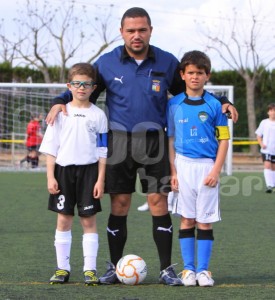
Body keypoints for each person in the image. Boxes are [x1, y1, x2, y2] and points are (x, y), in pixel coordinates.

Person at [46, 7, 238, 286]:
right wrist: (59, 100)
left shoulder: (168, 62)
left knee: (158, 202)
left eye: (142, 30)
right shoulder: (108, 62)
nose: (137, 35)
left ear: (150, 30)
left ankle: (166, 269)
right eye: (131, 30)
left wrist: (221, 100)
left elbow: (191, 88)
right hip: (120, 142)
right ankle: (113, 267)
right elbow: (84, 86)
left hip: (155, 142)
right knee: (120, 203)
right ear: (122, 32)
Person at [39, 63, 108, 285]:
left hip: (89, 173)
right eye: (77, 84)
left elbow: (102, 152)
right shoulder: (59, 113)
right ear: (69, 86)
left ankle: (90, 270)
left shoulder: (99, 115)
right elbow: (51, 148)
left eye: (86, 84)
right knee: (64, 219)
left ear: (93, 87)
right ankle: (62, 269)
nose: (81, 88)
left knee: (89, 221)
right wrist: (50, 176)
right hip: (63, 172)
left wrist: (100, 179)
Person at [167, 50, 230, 287]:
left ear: (207, 76)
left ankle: (203, 270)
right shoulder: (174, 104)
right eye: (190, 72)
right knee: (187, 219)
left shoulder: (216, 105)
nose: (195, 77)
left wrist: (215, 171)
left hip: (207, 167)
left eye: (200, 73)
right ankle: (188, 270)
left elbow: (224, 139)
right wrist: (173, 172)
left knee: (205, 221)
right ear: (182, 75)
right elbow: (170, 139)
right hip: (183, 166)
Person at [255, 103, 275, 193]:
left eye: (274, 110)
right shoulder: (264, 122)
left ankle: (273, 184)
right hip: (266, 149)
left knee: (273, 167)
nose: (273, 112)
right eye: (271, 110)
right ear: (268, 112)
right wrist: (261, 144)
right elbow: (258, 135)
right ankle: (269, 185)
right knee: (267, 165)